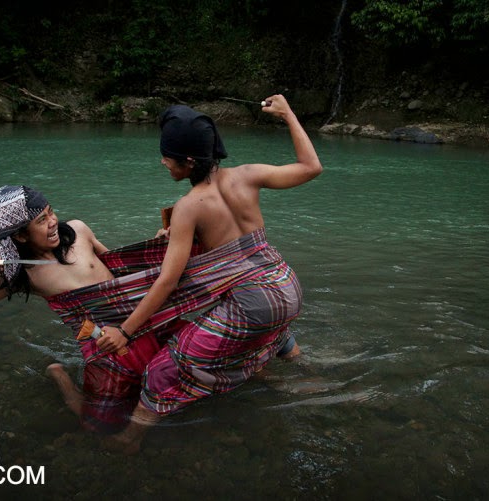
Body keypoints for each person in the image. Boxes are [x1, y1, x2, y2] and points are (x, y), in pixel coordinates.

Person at [98, 94, 323, 453]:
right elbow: (311, 167)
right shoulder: (248, 175)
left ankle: (129, 440)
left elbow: (168, 281)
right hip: (286, 285)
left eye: (167, 158)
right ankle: (309, 379)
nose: (163, 162)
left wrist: (125, 331)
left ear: (188, 163)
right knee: (265, 330)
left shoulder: (189, 207)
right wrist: (288, 114)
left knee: (166, 367)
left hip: (254, 304)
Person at [0, 185, 180, 432]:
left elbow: (120, 270)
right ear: (21, 236)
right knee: (99, 425)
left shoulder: (78, 230)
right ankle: (60, 376)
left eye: (51, 212)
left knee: (182, 369)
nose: (53, 222)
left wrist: (157, 246)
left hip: (135, 320)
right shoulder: (23, 274)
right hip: (99, 341)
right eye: (41, 220)